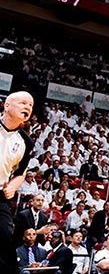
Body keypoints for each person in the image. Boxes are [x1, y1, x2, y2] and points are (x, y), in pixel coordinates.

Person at [1, 91, 36, 272]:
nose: (27, 107)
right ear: (6, 105)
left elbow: (21, 173)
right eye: (23, 103)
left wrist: (14, 186)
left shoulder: (25, 141)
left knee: (5, 234)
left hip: (0, 193)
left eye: (30, 105)